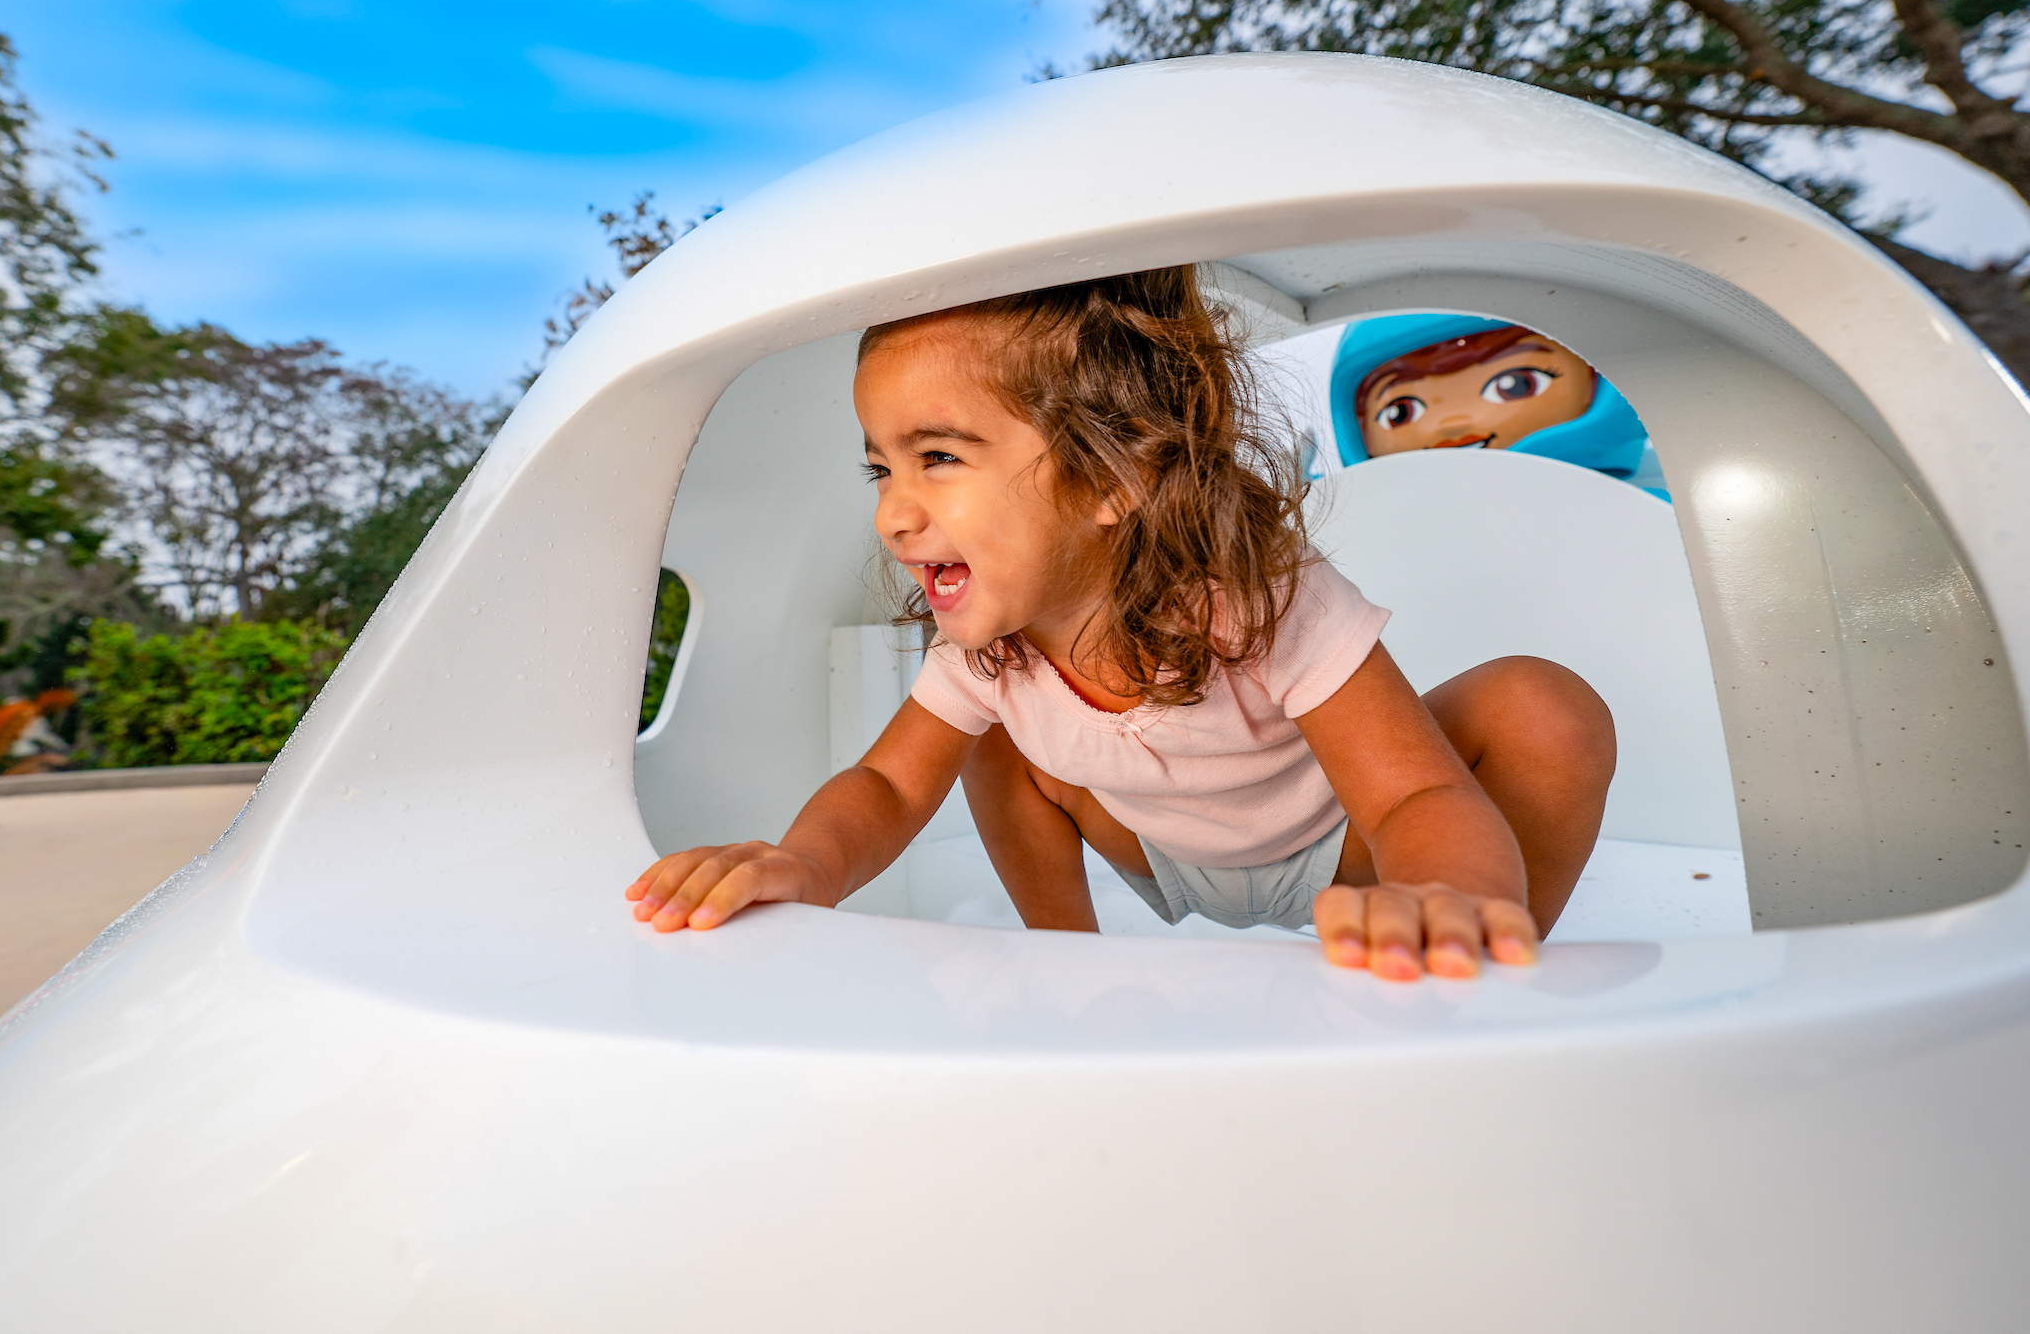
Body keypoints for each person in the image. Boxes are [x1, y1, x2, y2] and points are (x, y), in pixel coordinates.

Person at [627, 268, 1616, 981]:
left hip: (1338, 851)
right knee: (991, 738)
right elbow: (887, 783)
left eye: (937, 457)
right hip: (1154, 848)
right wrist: (804, 863)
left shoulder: (1258, 599)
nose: (893, 511)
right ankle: (1064, 966)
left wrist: (1439, 883)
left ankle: (1468, 954)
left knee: (1546, 708)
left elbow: (1411, 796)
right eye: (881, 467)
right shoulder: (989, 645)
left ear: (1109, 477)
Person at [1328, 313, 1667, 496]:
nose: (1454, 423)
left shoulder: (1669, 505)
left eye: (1515, 385)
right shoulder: (1379, 532)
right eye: (1400, 412)